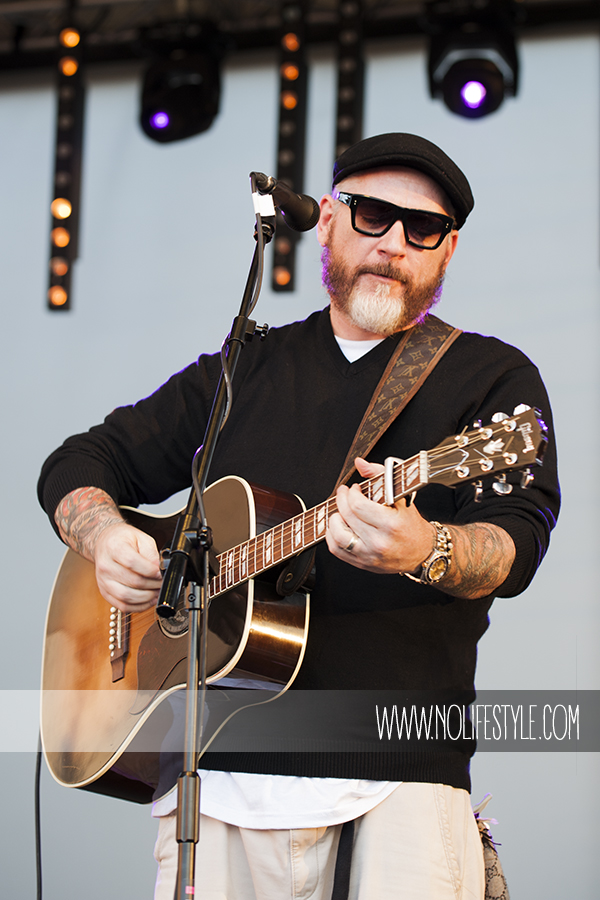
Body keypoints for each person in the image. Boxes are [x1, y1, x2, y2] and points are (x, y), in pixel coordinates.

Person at [38, 133, 560, 900]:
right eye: (373, 214)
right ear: (328, 220)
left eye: (424, 228)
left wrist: (428, 546)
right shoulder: (241, 369)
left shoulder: (489, 379)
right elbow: (80, 462)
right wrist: (106, 535)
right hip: (213, 787)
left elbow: (516, 540)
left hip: (397, 782)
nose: (393, 243)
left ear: (448, 250)